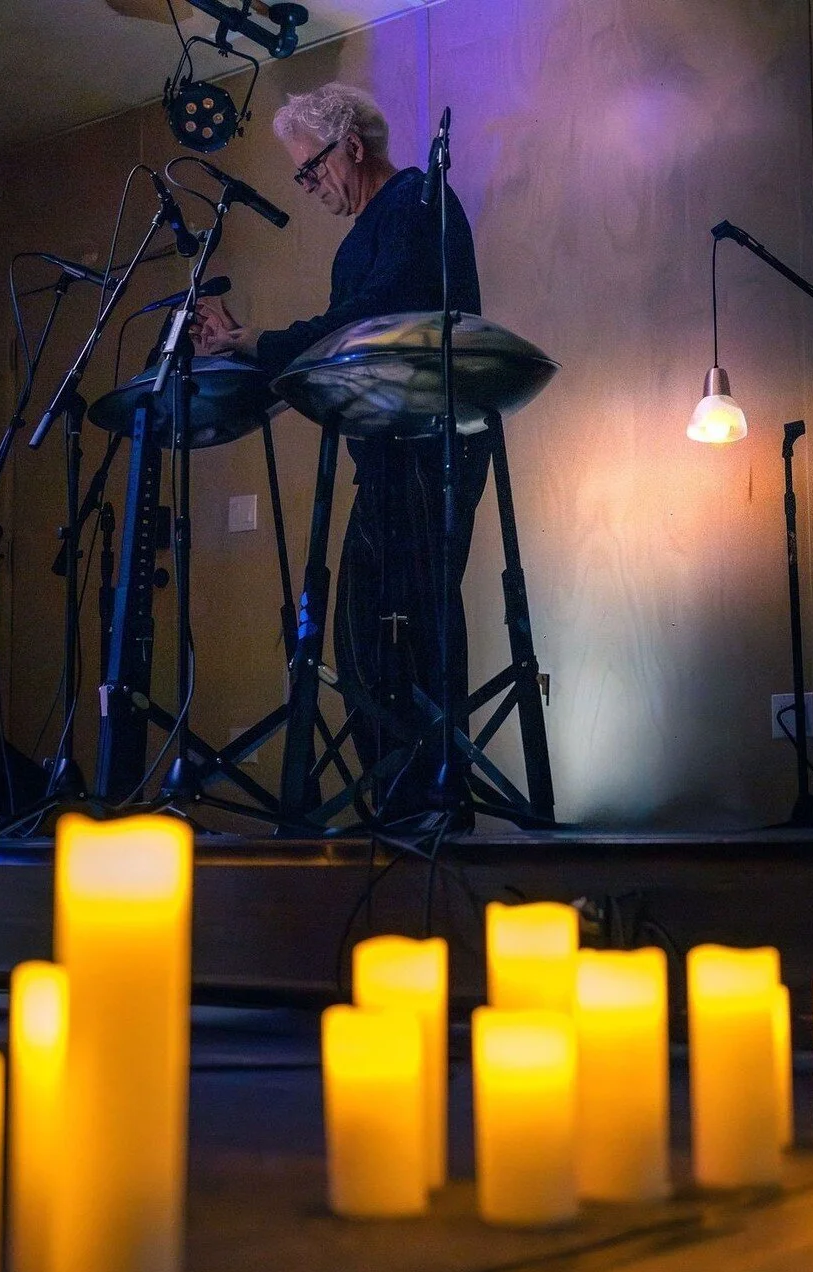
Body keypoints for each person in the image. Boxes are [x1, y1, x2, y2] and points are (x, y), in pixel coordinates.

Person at [193, 82, 492, 823]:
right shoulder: (372, 230)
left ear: (351, 146)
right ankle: (401, 806)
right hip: (391, 451)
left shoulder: (417, 201)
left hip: (426, 448)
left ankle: (428, 806)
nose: (308, 184)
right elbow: (343, 339)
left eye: (309, 168)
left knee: (406, 628)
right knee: (368, 639)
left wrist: (261, 342)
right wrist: (252, 351)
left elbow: (371, 318)